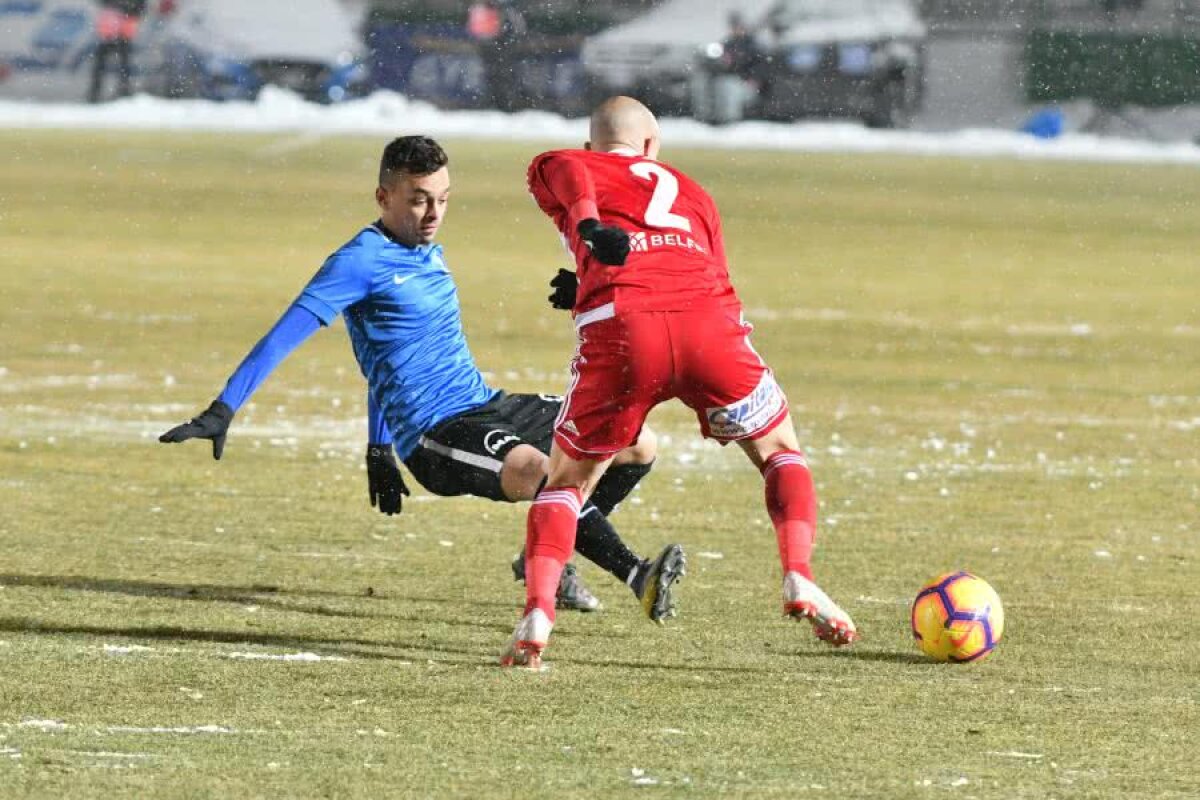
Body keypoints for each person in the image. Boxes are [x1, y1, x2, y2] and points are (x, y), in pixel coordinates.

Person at [158, 135, 685, 620]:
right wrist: (224, 408)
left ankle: (548, 556)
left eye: (442, 199)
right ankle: (638, 576)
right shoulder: (356, 263)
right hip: (437, 435)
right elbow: (282, 337)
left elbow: (388, 355)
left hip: (485, 402)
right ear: (383, 197)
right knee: (541, 473)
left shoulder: (426, 249)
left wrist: (376, 447)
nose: (433, 214)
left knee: (634, 442)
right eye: (418, 200)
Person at [501, 97, 858, 669]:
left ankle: (538, 615)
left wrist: (590, 231)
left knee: (567, 481)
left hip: (624, 331)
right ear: (652, 147)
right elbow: (703, 271)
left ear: (593, 145)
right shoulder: (694, 192)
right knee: (779, 450)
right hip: (707, 328)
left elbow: (571, 175)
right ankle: (799, 573)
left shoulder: (569, 161)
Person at [466, 0, 527, 112]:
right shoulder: (486, 8)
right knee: (494, 74)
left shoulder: (506, 9)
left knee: (502, 74)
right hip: (493, 45)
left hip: (501, 45)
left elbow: (517, 28)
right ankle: (497, 102)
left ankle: (503, 103)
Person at [88, 0, 148, 103]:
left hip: (122, 33)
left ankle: (123, 91)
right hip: (110, 32)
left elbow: (139, 8)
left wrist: (123, 8)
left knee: (122, 65)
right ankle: (97, 93)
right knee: (108, 65)